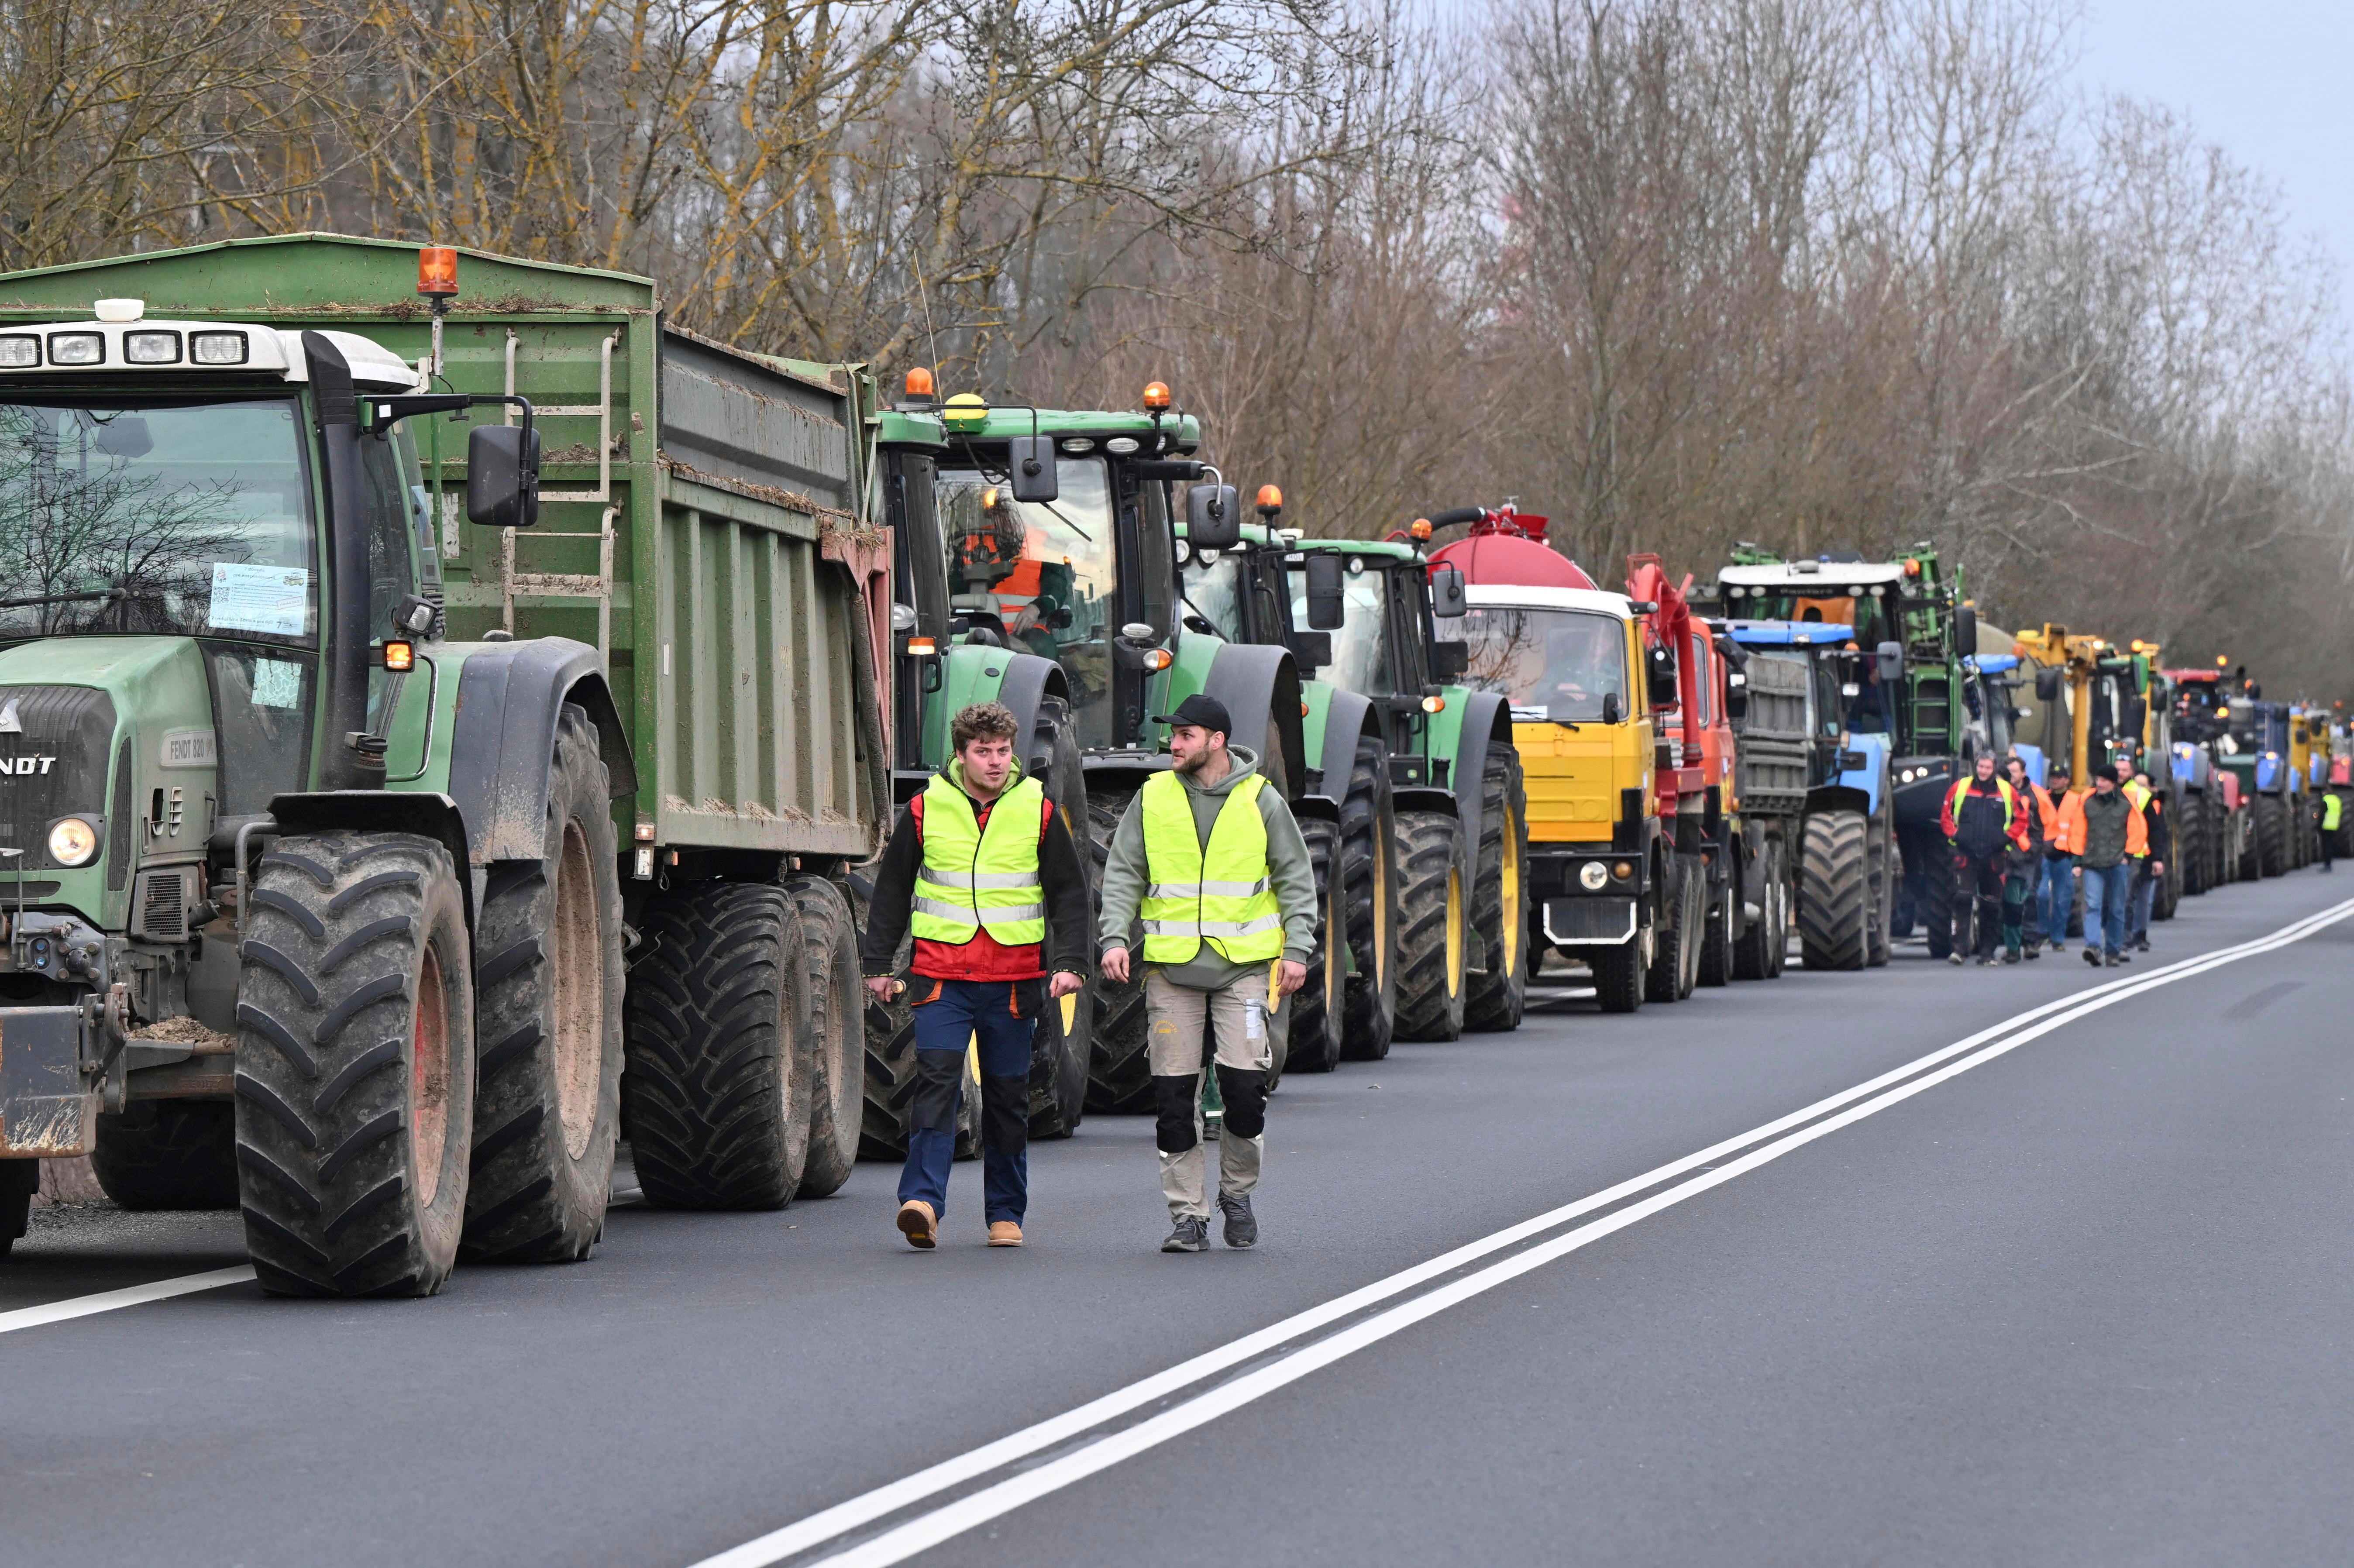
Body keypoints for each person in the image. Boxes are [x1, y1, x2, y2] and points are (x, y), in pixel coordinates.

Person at [860, 701, 1091, 1250]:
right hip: (941, 978)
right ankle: (922, 1202)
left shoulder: (1037, 809)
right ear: (960, 754)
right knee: (936, 1084)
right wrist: (876, 964)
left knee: (1009, 1097)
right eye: (982, 751)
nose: (994, 761)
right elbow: (891, 891)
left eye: (1003, 751)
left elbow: (1069, 894)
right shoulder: (923, 810)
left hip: (1013, 982)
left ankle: (1006, 1214)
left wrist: (1072, 964)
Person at [1097, 694, 1318, 1253]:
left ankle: (1236, 1194)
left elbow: (1295, 876)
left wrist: (1297, 948)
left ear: (1216, 741)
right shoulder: (1151, 798)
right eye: (1172, 735)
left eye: (1185, 735)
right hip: (1172, 971)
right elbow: (1124, 872)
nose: (1173, 744)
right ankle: (1188, 1215)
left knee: (1245, 1090)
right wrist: (1116, 937)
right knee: (1174, 1099)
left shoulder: (1260, 799)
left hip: (1243, 969)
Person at [1941, 752, 2026, 966]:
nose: (1984, 771)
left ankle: (1988, 953)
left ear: (1995, 769)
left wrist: (2005, 839)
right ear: (1976, 767)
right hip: (1965, 855)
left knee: (1991, 906)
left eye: (1988, 768)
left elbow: (2022, 819)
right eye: (1981, 767)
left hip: (1994, 856)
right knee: (1962, 900)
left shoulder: (2008, 792)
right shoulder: (1959, 788)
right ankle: (1959, 950)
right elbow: (1945, 816)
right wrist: (1956, 836)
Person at [2075, 770, 2146, 967]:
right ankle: (2093, 947)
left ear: (2113, 783)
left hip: (2117, 864)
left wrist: (2128, 856)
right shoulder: (2087, 800)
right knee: (2093, 906)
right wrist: (2077, 860)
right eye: (2098, 779)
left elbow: (2138, 830)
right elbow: (2078, 831)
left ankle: (2113, 951)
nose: (2099, 783)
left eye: (2104, 780)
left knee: (2116, 908)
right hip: (2092, 863)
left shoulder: (2127, 801)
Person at [2001, 754, 2058, 962]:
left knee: (2031, 897)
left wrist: (2042, 849)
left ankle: (2031, 940)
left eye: (2015, 772)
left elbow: (2051, 824)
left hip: (2029, 855)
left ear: (2023, 773)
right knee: (2009, 901)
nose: (2012, 776)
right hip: (2005, 853)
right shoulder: (2000, 792)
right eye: (2009, 772)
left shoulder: (2037, 794)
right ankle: (2013, 944)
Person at [2119, 762, 2168, 953]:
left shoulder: (2150, 803)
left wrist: (2157, 858)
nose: (2140, 788)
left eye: (2144, 785)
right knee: (2127, 898)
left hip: (2145, 858)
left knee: (2143, 899)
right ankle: (2127, 936)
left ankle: (2139, 934)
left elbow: (2158, 832)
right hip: (2127, 856)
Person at [2316, 787, 2340, 872]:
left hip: (2326, 826)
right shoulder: (2337, 800)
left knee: (2326, 847)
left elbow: (2322, 814)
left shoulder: (2326, 800)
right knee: (2330, 845)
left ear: (2325, 792)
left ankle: (2327, 865)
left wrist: (2318, 826)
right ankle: (2329, 864)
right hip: (2334, 826)